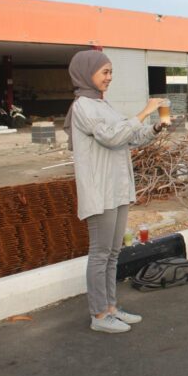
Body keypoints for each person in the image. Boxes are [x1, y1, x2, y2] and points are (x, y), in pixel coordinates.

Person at [64, 50, 168, 334]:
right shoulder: (83, 106)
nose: (109, 78)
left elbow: (128, 136)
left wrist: (155, 127)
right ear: (86, 72)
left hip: (118, 188)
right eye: (104, 72)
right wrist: (144, 111)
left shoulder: (103, 104)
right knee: (100, 253)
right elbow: (110, 137)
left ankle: (110, 307)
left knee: (112, 252)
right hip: (100, 190)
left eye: (111, 72)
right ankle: (98, 315)